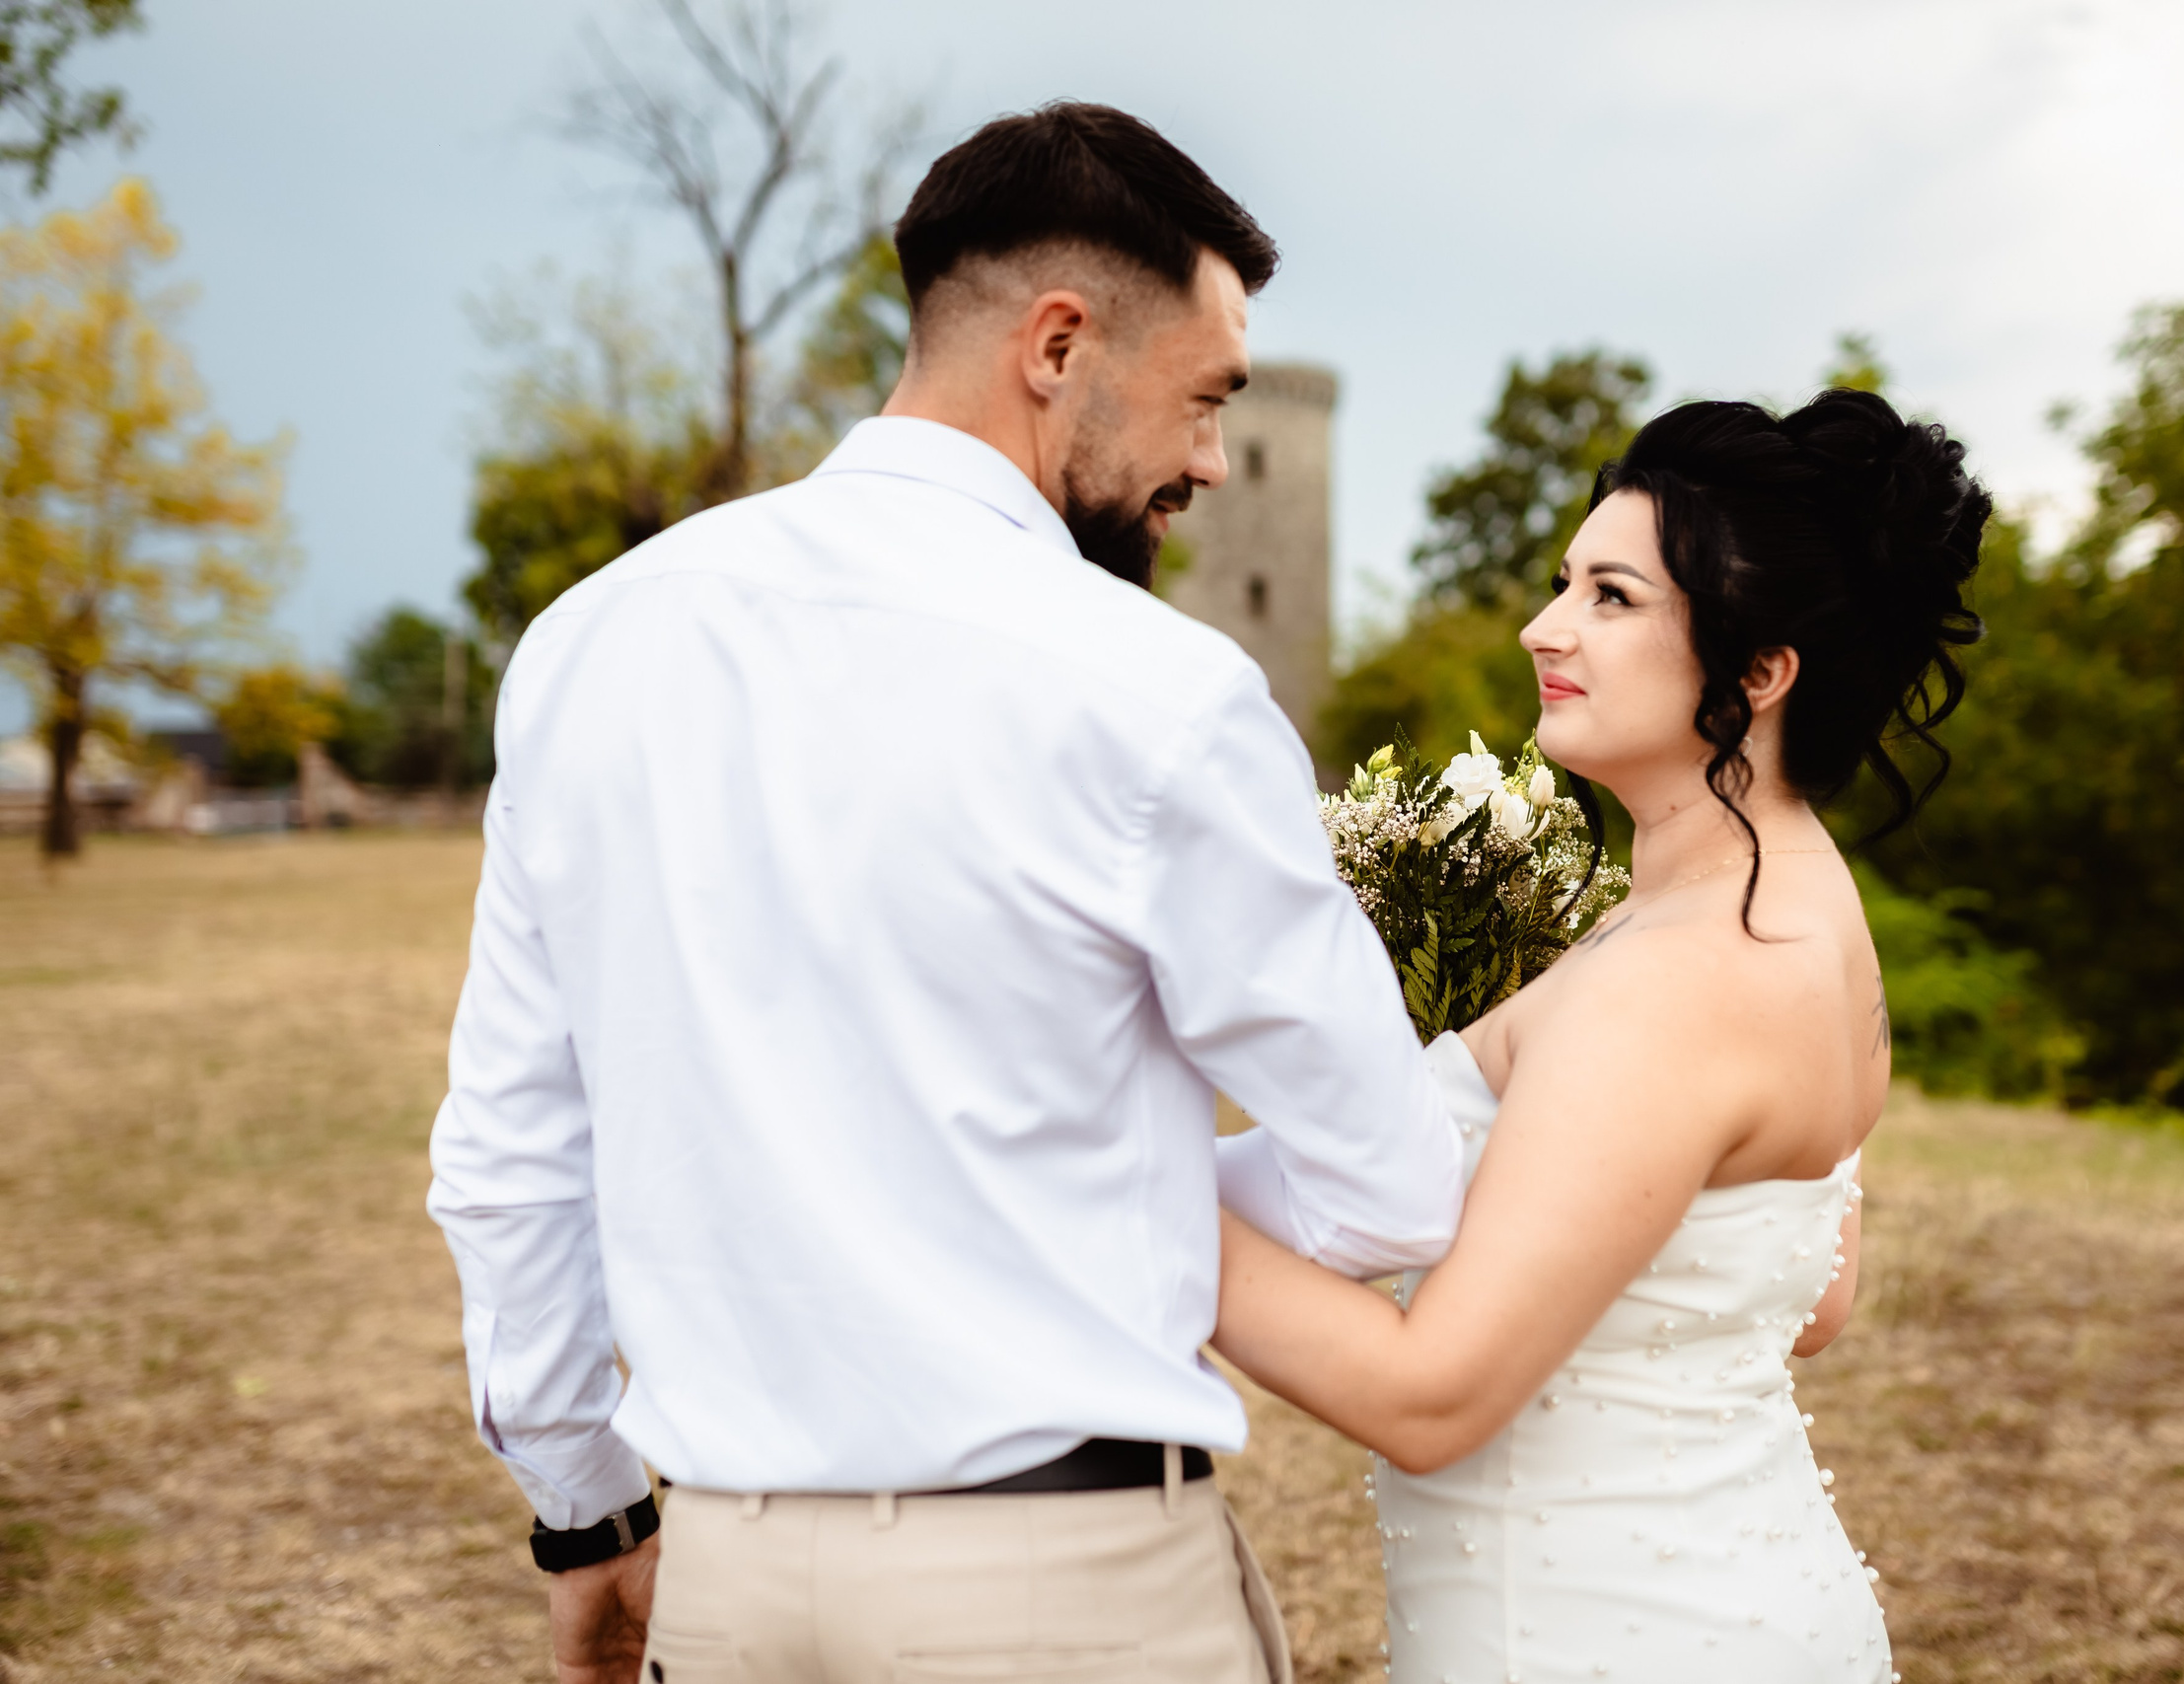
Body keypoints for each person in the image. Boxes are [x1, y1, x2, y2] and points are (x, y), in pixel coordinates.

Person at [426, 103, 1466, 1684]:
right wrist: (1083, 1211)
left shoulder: (589, 646)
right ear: (1058, 345)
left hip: (725, 1590)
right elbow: (1386, 1182)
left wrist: (587, 1519)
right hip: (1064, 1599)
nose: (1211, 459)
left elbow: (510, 1162)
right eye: (1203, 398)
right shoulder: (1161, 692)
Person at [1211, 390, 1989, 1684]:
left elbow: (1430, 1397)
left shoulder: (1682, 975)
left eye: (1612, 597)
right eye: (1565, 582)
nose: (1545, 626)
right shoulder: (1805, 912)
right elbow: (1816, 1297)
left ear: (1760, 673)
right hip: (1744, 1613)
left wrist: (1129, 1199)